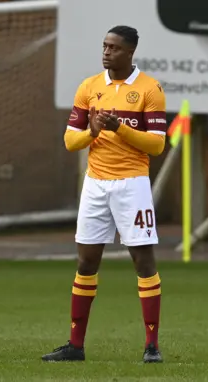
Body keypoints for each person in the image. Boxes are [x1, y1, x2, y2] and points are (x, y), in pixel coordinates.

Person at [41, 25, 167, 363]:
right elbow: (70, 141)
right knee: (86, 261)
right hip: (95, 184)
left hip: (132, 184)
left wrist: (119, 128)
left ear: (130, 52)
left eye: (114, 47)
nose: (107, 52)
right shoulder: (89, 87)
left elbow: (156, 144)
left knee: (143, 261)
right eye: (104, 46)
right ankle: (75, 345)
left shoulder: (149, 89)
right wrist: (92, 131)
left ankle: (152, 345)